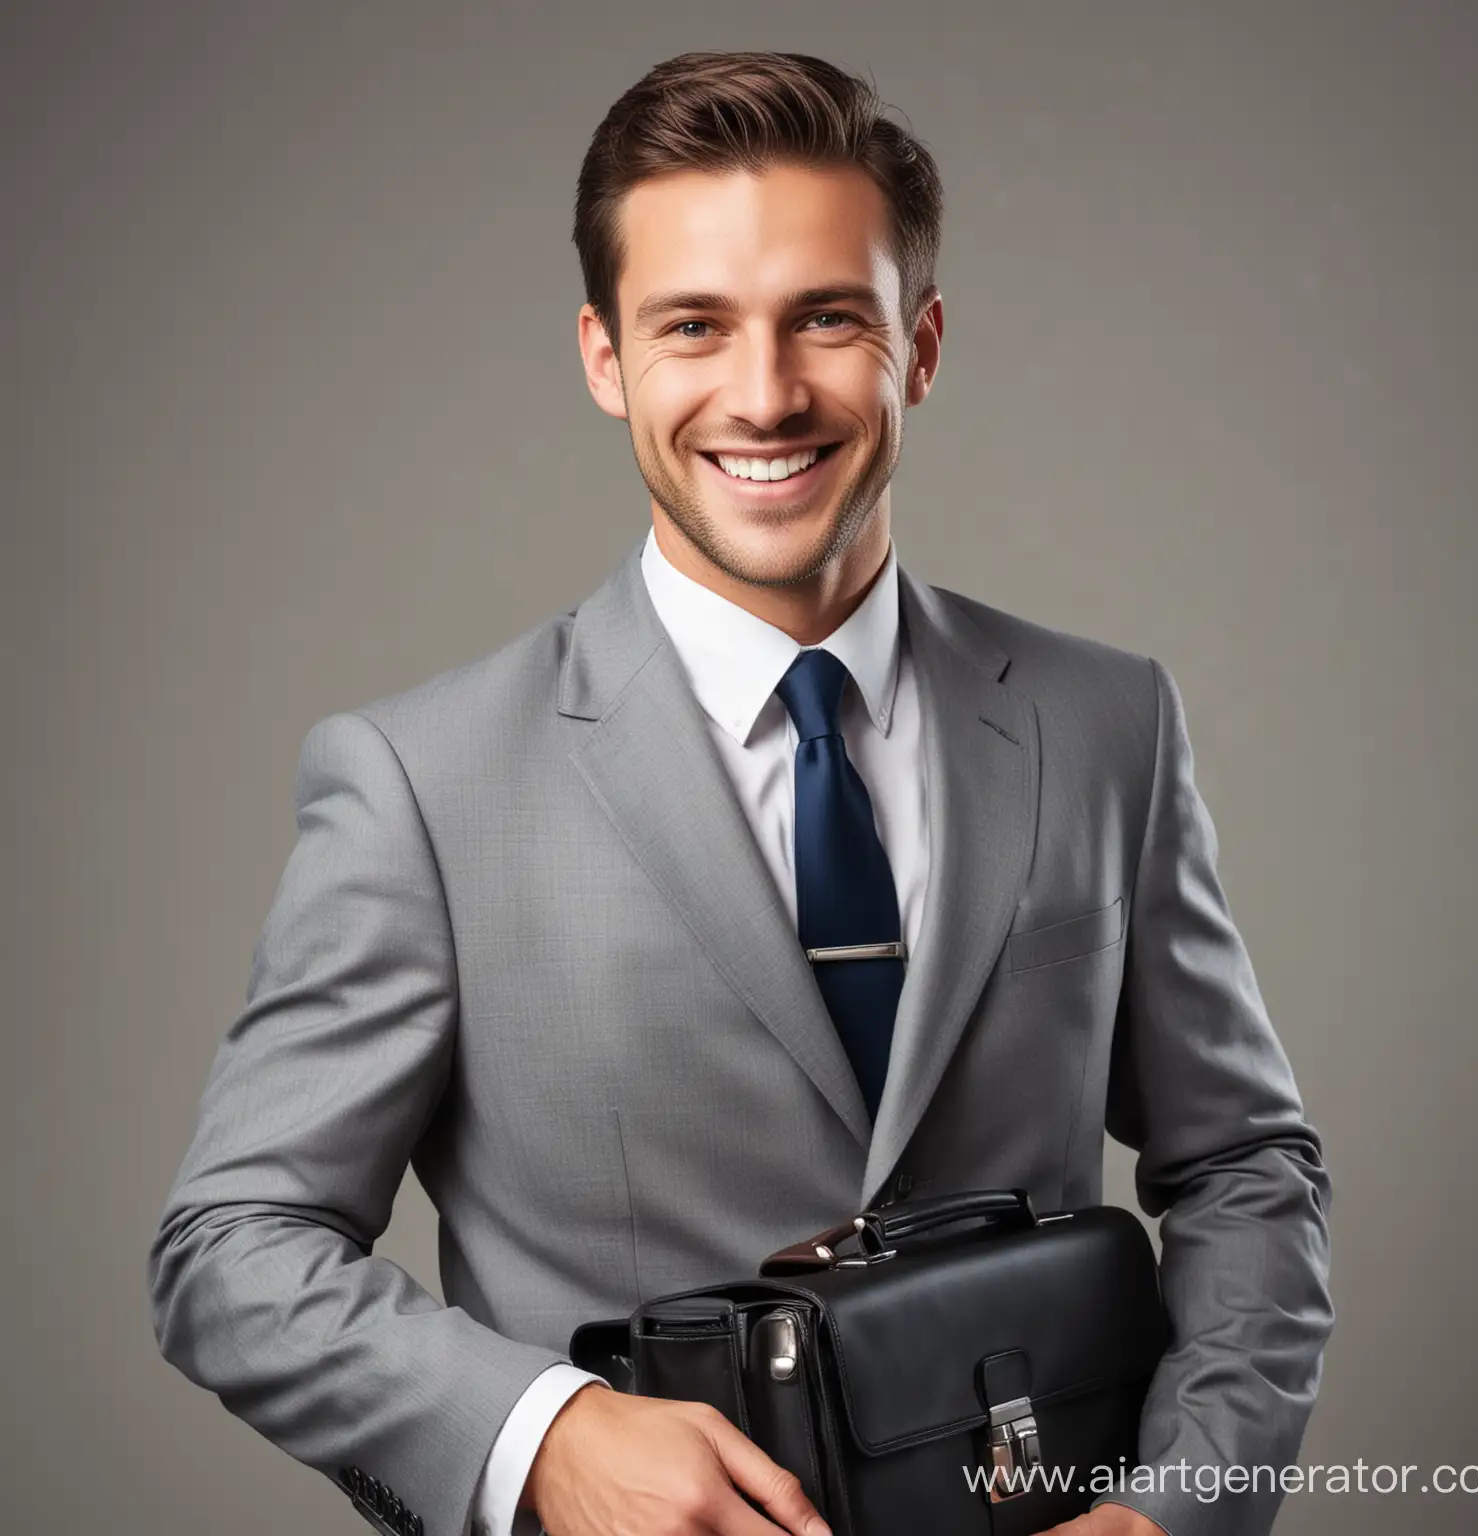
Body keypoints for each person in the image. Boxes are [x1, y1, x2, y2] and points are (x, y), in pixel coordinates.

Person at [148, 50, 1332, 1536]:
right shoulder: (420, 784)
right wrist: (542, 1435)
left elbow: (1245, 1164)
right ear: (603, 357)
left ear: (923, 345)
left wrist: (1175, 1511)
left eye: (827, 319)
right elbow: (229, 1249)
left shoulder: (1105, 724)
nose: (764, 396)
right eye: (693, 325)